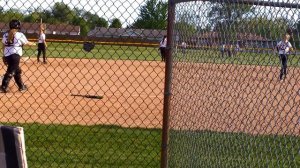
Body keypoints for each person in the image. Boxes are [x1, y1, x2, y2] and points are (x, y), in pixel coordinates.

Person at [1, 19, 36, 93]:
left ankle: (21, 86)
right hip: (15, 55)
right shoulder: (19, 34)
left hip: (7, 55)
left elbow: (3, 45)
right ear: (17, 26)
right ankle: (3, 87)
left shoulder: (5, 34)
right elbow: (27, 43)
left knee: (17, 71)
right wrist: (35, 44)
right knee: (11, 71)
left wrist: (4, 55)